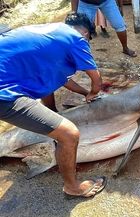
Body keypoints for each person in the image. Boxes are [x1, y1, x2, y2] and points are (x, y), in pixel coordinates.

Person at [0, 12, 107, 199]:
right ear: (86, 33)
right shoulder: (77, 39)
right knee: (69, 134)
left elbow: (59, 79)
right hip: (4, 95)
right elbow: (96, 79)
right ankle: (72, 187)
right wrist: (93, 93)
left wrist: (82, 95)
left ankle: (51, 116)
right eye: (89, 39)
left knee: (56, 122)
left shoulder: (49, 34)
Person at [71, 0, 137, 57]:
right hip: (86, 3)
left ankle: (125, 48)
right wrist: (74, 13)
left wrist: (120, 6)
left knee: (119, 25)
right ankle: (83, 56)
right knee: (82, 31)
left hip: (107, 2)